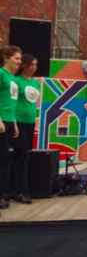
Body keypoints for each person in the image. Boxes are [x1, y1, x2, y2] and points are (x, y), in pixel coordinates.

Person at [13, 53, 40, 204]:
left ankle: (21, 189)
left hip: (30, 122)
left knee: (25, 155)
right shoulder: (16, 81)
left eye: (36, 65)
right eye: (32, 65)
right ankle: (20, 191)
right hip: (18, 121)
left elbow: (34, 103)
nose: (34, 68)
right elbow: (12, 101)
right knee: (20, 154)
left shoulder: (35, 83)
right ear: (24, 65)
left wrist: (36, 118)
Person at [0, 46, 21, 211]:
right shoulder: (1, 74)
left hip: (9, 121)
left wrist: (13, 123)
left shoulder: (13, 79)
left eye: (20, 59)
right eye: (16, 58)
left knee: (6, 158)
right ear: (6, 58)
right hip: (0, 121)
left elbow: (11, 103)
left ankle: (4, 193)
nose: (19, 62)